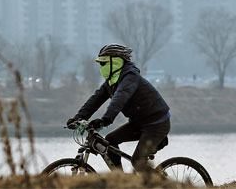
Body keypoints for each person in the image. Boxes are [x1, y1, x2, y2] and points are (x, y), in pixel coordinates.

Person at [67, 43, 171, 172]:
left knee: (137, 161)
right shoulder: (111, 82)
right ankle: (119, 178)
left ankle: (163, 185)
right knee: (110, 140)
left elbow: (120, 98)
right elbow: (94, 100)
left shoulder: (130, 78)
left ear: (115, 62)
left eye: (103, 63)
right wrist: (77, 118)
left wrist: (105, 119)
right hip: (138, 122)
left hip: (156, 123)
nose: (101, 67)